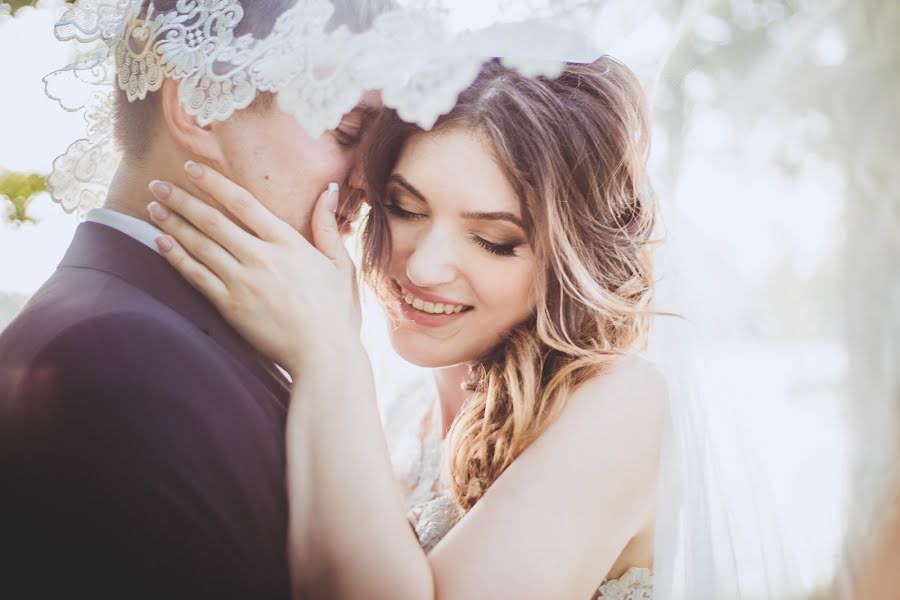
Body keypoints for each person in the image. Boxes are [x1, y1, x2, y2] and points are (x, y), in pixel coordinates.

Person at [147, 57, 666, 599]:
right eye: (404, 209)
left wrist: (328, 354)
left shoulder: (623, 404)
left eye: (492, 240)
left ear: (570, 259)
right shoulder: (404, 412)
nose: (421, 268)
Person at [0, 1, 387, 598]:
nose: (369, 178)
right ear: (203, 105)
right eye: (348, 131)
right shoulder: (118, 359)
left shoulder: (159, 332)